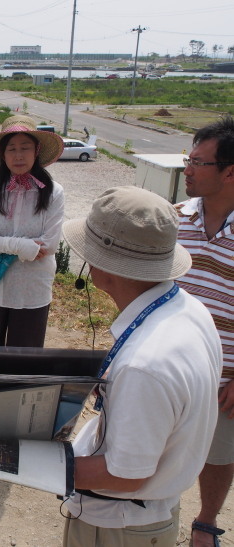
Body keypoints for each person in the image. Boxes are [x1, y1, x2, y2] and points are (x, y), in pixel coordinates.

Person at [61, 186, 222, 547]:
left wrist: (25, 462)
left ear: (104, 268)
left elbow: (124, 477)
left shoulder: (143, 365)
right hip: (150, 512)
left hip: (120, 527)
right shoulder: (190, 309)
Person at [174, 116, 234, 547]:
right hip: (169, 367)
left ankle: (206, 522)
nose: (187, 169)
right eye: (188, 158)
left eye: (198, 161)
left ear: (230, 171)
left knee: (216, 455)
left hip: (224, 377)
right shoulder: (174, 219)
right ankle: (150, 512)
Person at [0, 115, 65, 347]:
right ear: (2, 154)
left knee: (25, 356)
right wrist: (22, 247)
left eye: (25, 148)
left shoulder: (54, 192)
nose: (18, 155)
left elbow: (49, 245)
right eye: (11, 149)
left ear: (36, 151)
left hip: (32, 286)